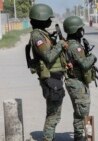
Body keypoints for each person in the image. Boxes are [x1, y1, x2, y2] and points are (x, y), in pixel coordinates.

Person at [28, 4, 68, 141]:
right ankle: (47, 138)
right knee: (54, 114)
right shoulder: (37, 37)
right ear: (41, 19)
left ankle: (48, 137)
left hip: (54, 77)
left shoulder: (42, 34)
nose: (50, 21)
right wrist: (60, 45)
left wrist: (52, 38)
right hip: (50, 79)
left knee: (53, 112)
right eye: (47, 19)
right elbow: (48, 56)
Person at [63, 16, 97, 141]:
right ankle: (84, 138)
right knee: (82, 113)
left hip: (77, 82)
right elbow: (84, 64)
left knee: (81, 112)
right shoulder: (74, 47)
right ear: (75, 30)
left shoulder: (73, 44)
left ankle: (85, 137)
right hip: (76, 83)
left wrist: (86, 51)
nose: (82, 30)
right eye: (80, 28)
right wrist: (92, 57)